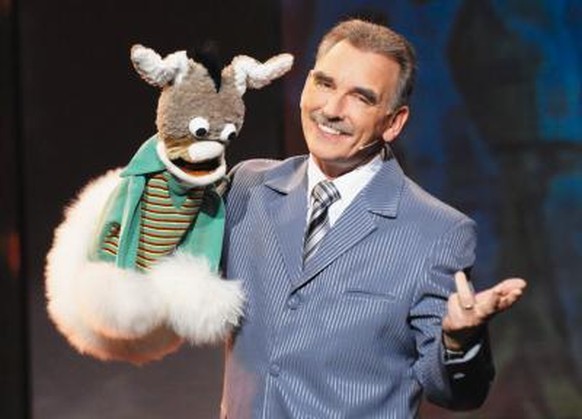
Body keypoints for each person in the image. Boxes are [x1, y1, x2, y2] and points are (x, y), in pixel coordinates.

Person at [220, 19, 526, 418]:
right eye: (325, 84)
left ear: (394, 122)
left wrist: (458, 341)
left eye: (360, 98)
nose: (332, 110)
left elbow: (455, 393)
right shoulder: (249, 187)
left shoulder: (437, 232)